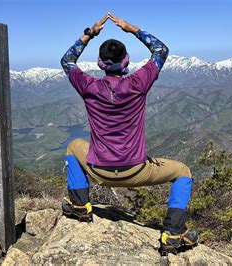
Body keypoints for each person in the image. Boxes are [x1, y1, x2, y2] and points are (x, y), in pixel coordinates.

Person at [60, 12, 199, 255]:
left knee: (74, 146)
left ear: (100, 64)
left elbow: (67, 61)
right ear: (126, 61)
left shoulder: (88, 86)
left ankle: (80, 205)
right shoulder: (138, 83)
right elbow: (161, 50)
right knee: (183, 172)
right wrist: (132, 29)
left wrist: (89, 34)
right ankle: (173, 234)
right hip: (136, 171)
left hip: (99, 171)